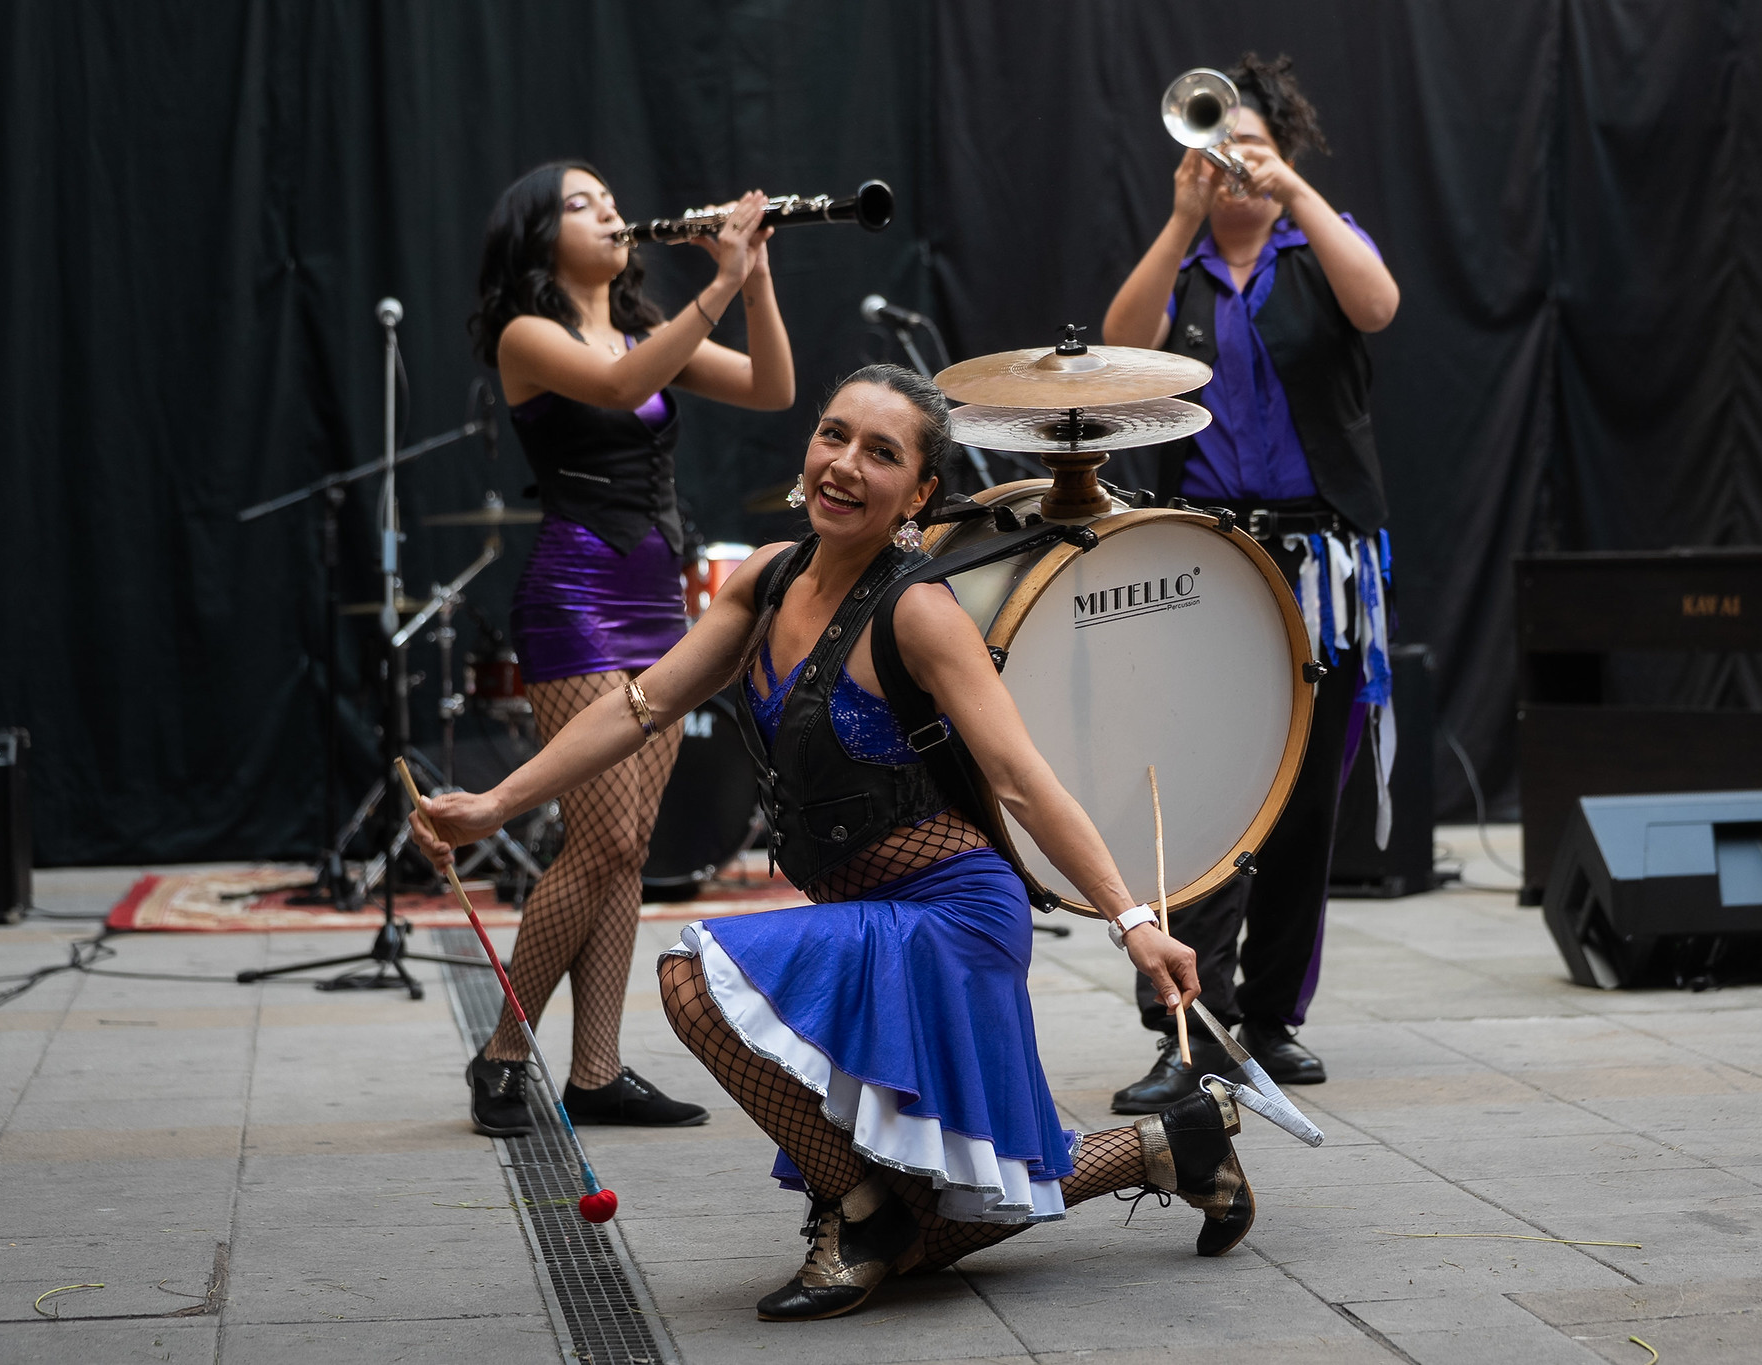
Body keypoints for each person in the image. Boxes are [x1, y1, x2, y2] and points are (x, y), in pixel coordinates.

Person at [409, 366, 1258, 1322]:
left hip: (952, 920)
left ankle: (855, 1213)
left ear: (921, 494)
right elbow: (641, 704)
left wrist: (1135, 923)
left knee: (693, 981)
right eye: (833, 435)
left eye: (882, 453)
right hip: (863, 918)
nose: (844, 466)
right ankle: (1176, 1143)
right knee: (932, 1232)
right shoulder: (765, 579)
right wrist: (493, 802)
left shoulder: (920, 613)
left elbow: (1024, 781)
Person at [460, 161, 795, 1135]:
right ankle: (504, 1049)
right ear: (534, 237)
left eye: (610, 199)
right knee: (599, 838)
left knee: (628, 850)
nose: (609, 211)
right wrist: (720, 282)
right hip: (575, 597)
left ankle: (597, 1072)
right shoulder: (527, 335)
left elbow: (772, 388)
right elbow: (615, 386)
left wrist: (757, 276)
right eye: (580, 202)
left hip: (654, 598)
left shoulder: (648, 329)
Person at [1101, 53, 1401, 1110]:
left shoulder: (1317, 249)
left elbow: (1379, 306)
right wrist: (1181, 218)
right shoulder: (1178, 272)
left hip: (1319, 560)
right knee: (1196, 799)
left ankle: (1269, 1020)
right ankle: (1189, 1019)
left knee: (1306, 801)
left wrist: (1295, 189)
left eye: (1251, 147)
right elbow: (1116, 354)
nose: (1232, 164)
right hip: (1209, 561)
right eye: (1217, 146)